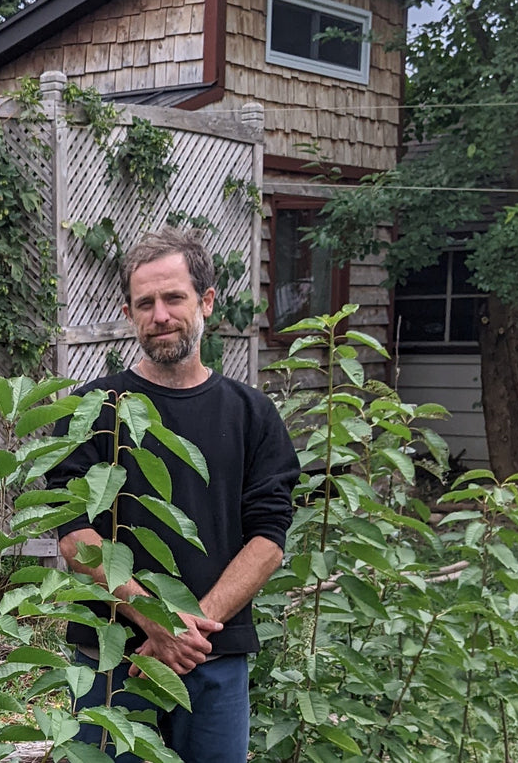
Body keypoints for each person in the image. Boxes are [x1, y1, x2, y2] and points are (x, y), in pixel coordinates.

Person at [45, 227, 299, 763]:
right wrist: (153, 620)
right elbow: (74, 536)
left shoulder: (252, 415)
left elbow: (269, 538)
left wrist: (186, 631)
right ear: (129, 311)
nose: (159, 315)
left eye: (174, 298)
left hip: (214, 656)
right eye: (145, 303)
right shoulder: (91, 410)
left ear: (206, 301)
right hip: (109, 659)